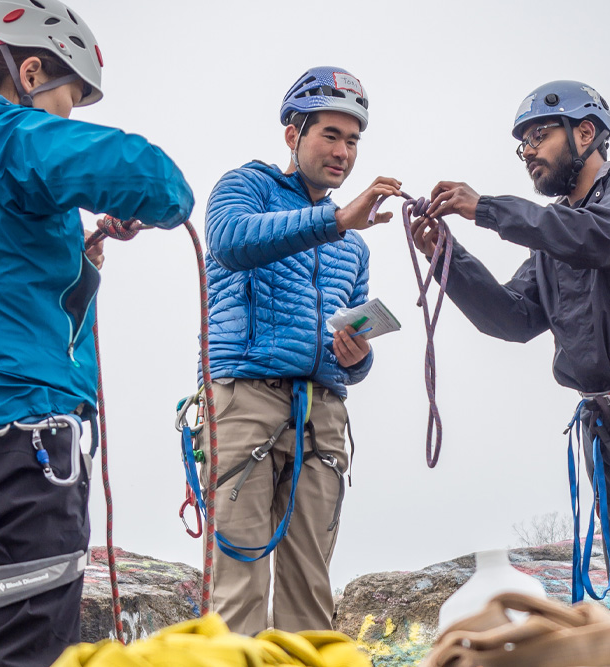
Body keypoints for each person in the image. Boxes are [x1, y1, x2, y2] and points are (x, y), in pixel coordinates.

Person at [0, 2, 193, 666]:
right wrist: (165, 202)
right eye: (67, 101)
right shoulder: (12, 138)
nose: (65, 118)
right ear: (29, 71)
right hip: (23, 458)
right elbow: (153, 176)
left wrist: (75, 258)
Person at [411, 81, 610, 666]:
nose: (529, 150)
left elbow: (603, 238)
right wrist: (445, 256)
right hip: (607, 432)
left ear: (586, 134)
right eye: (523, 143)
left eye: (539, 136)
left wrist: (486, 209)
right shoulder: (556, 232)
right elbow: (514, 318)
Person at [200, 66, 402, 635]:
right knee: (239, 583)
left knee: (310, 586)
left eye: (354, 140)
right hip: (243, 400)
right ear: (293, 134)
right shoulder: (246, 186)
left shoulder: (354, 248)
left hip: (323, 414)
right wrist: (335, 220)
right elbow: (229, 241)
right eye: (331, 135)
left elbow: (354, 357)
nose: (344, 151)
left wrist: (357, 355)